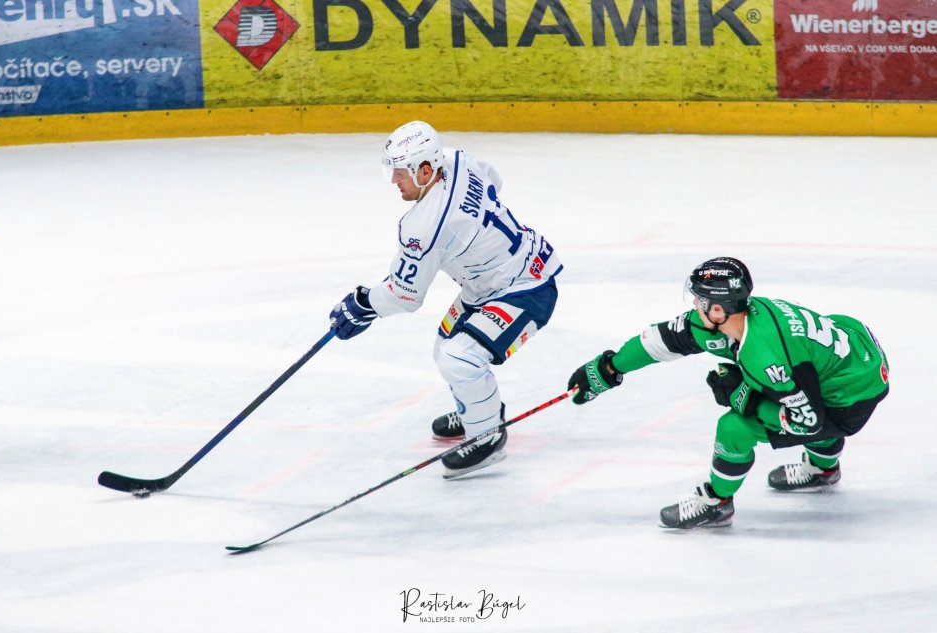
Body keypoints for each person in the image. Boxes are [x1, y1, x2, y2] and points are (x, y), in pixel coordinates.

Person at [567, 257, 889, 528]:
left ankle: (717, 504)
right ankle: (824, 468)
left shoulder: (765, 357)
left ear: (719, 310)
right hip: (852, 355)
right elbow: (664, 339)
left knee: (733, 428)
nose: (695, 305)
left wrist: (746, 400)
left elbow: (808, 421)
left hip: (853, 397)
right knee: (791, 392)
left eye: (700, 300)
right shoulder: (736, 321)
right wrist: (609, 368)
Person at [329, 121, 562, 479]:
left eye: (400, 172)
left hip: (526, 288)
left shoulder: (423, 226)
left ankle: (486, 436)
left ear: (425, 170)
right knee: (445, 346)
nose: (394, 181)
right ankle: (479, 410)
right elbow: (494, 180)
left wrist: (363, 304)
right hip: (493, 280)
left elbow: (405, 296)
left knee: (460, 357)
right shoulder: (456, 159)